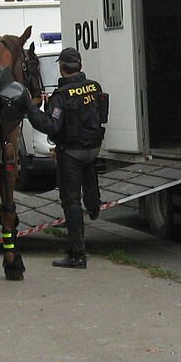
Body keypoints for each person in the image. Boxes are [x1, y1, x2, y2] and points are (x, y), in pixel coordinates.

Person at [25, 47, 106, 269]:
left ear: (62, 68)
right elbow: (102, 114)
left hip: (71, 153)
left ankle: (77, 254)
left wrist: (31, 108)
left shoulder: (61, 96)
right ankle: (94, 203)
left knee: (70, 203)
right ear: (79, 66)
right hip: (93, 149)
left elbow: (50, 125)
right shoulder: (94, 86)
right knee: (89, 180)